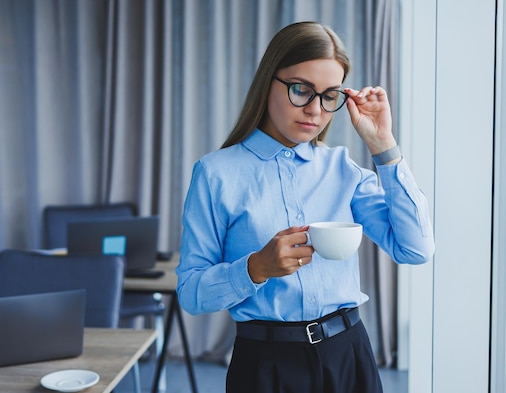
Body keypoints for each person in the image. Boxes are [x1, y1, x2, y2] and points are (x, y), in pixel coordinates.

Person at [176, 21, 435, 393]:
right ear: (269, 81)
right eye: (301, 90)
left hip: (349, 356)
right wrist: (255, 268)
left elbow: (416, 249)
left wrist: (384, 147)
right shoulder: (216, 174)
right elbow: (190, 293)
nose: (315, 109)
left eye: (330, 95)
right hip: (264, 365)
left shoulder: (345, 170)